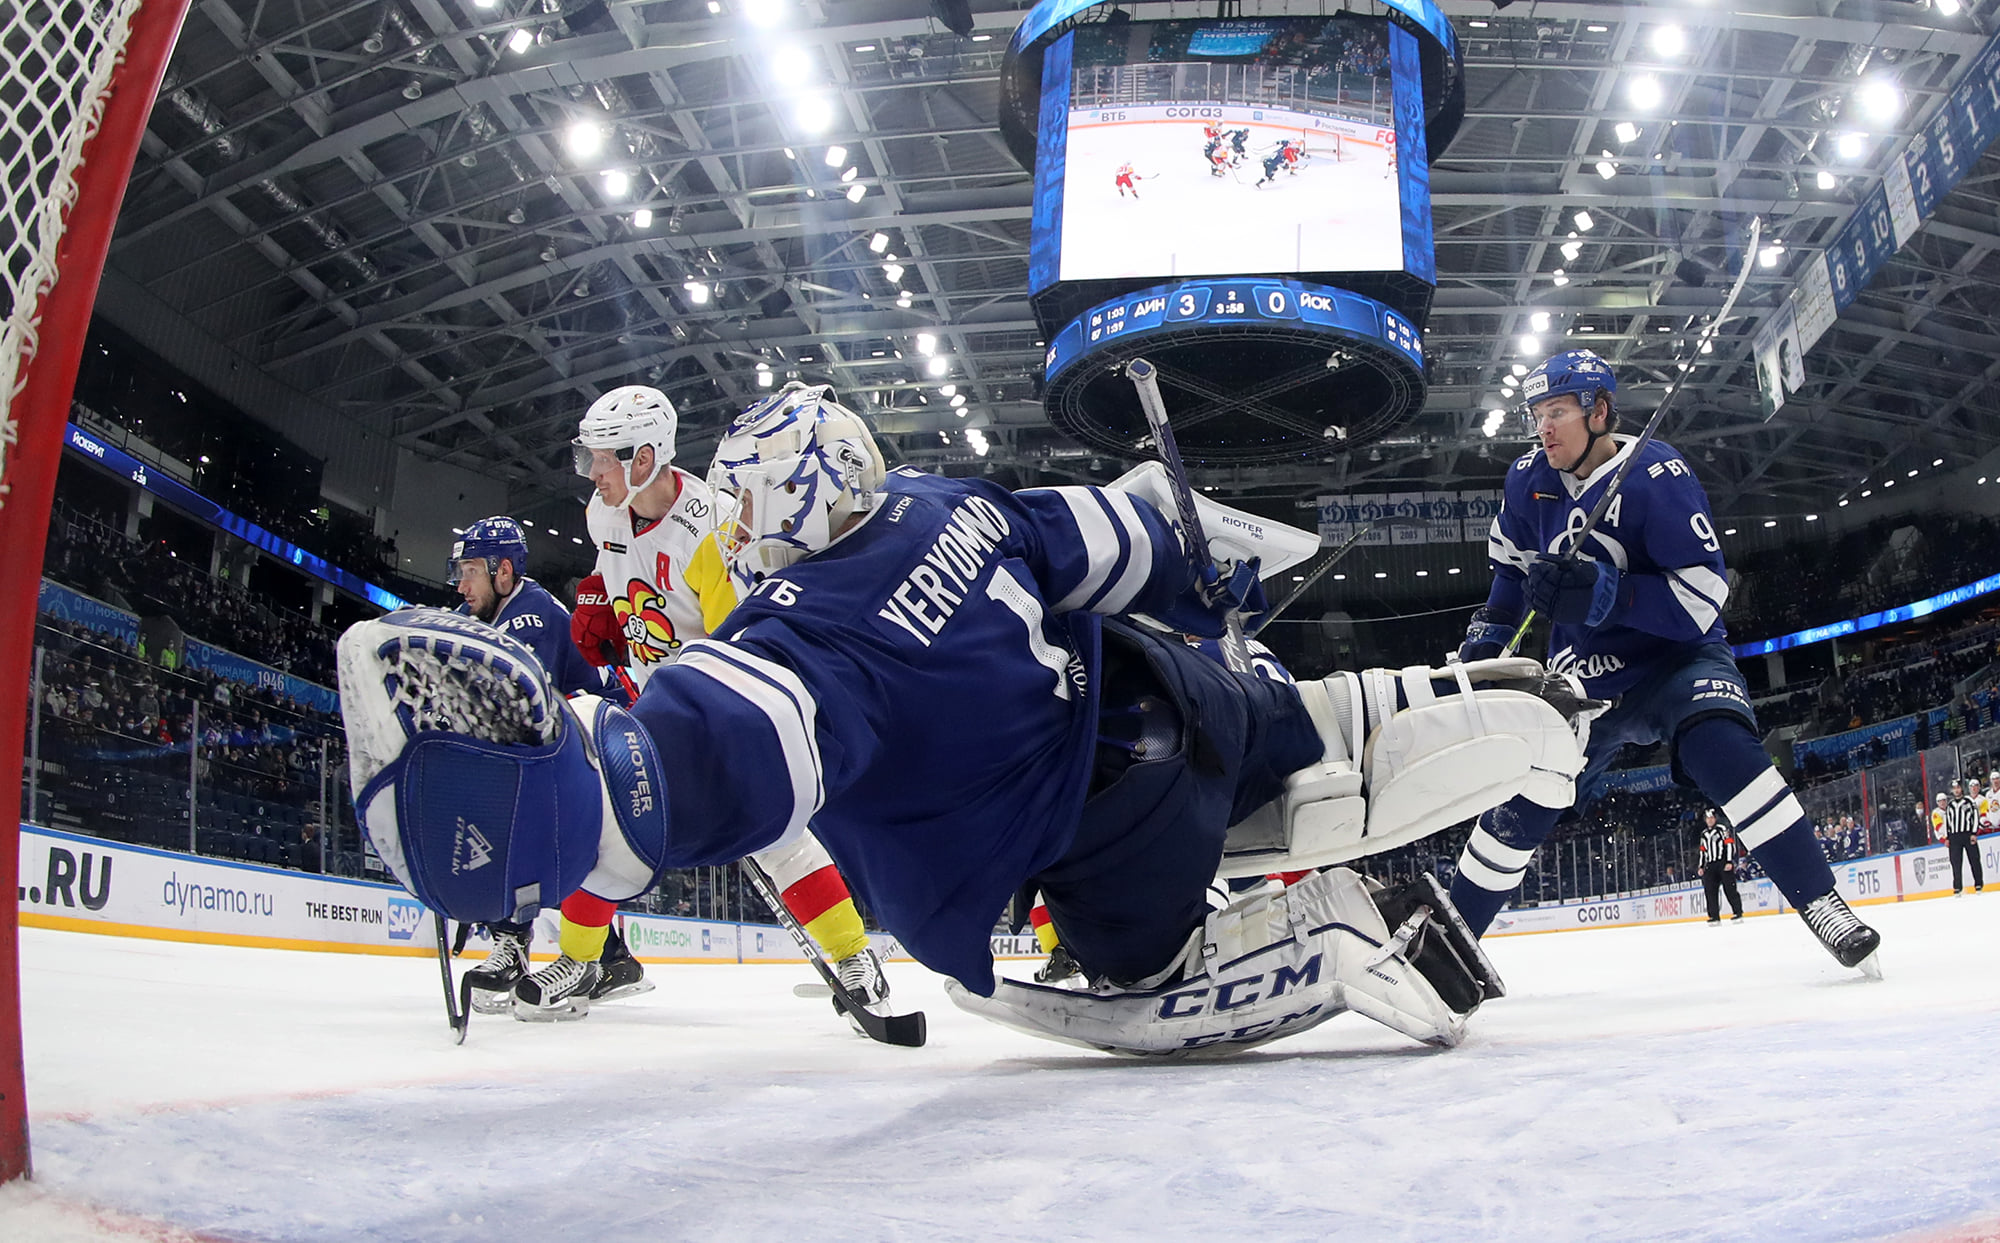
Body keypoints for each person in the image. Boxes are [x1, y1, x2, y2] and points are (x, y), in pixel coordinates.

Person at [337, 382, 1592, 1056]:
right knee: (1283, 714)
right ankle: (1376, 712)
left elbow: (722, 744)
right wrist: (1209, 567)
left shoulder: (803, 631)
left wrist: (571, 799)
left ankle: (1328, 937)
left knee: (1139, 965)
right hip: (1171, 687)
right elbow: (1122, 534)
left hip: (1099, 822)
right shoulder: (951, 501)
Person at [1447, 349, 1882, 975]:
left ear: (1599, 411)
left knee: (1723, 750)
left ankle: (1824, 905)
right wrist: (1485, 652)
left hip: (1673, 662)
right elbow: (1510, 578)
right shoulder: (1526, 479)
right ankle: (1451, 944)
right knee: (1522, 795)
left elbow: (1704, 597)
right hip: (1577, 680)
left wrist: (1608, 593)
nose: (1544, 427)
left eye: (1558, 412)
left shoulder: (1658, 474)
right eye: (1537, 413)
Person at [560, 383, 896, 1025]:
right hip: (646, 688)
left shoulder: (710, 526)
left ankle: (855, 956)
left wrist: (693, 714)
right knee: (606, 819)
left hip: (709, 693)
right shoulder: (602, 514)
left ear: (644, 458)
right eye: (592, 458)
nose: (594, 472)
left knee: (777, 833)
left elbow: (731, 631)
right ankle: (584, 959)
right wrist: (597, 606)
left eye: (606, 458)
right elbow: (610, 579)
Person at [443, 516, 651, 1016]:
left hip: (619, 741)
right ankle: (611, 959)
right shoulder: (486, 615)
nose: (461, 583)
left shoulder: (529, 617)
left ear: (503, 571)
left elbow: (514, 714)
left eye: (470, 570)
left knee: (525, 819)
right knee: (553, 844)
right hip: (584, 741)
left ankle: (516, 948)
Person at [1696, 808, 1743, 924]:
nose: (1710, 820)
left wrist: (1728, 861)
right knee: (1710, 891)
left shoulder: (1722, 829)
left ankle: (1737, 912)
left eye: (1711, 818)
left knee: (1730, 888)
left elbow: (1730, 845)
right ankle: (1714, 916)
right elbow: (1703, 851)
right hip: (1710, 865)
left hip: (1722, 862)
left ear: (1715, 819)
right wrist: (1701, 866)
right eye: (1708, 819)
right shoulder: (1704, 834)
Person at [1941, 778, 1983, 895]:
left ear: (1962, 788)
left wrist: (1974, 833)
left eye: (1958, 788)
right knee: (1955, 862)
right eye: (1954, 788)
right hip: (1954, 836)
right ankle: (1957, 887)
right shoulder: (1950, 805)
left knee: (1974, 859)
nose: (1956, 790)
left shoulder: (1969, 802)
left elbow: (1975, 817)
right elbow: (1947, 822)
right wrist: (1947, 837)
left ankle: (1978, 884)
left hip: (1967, 834)